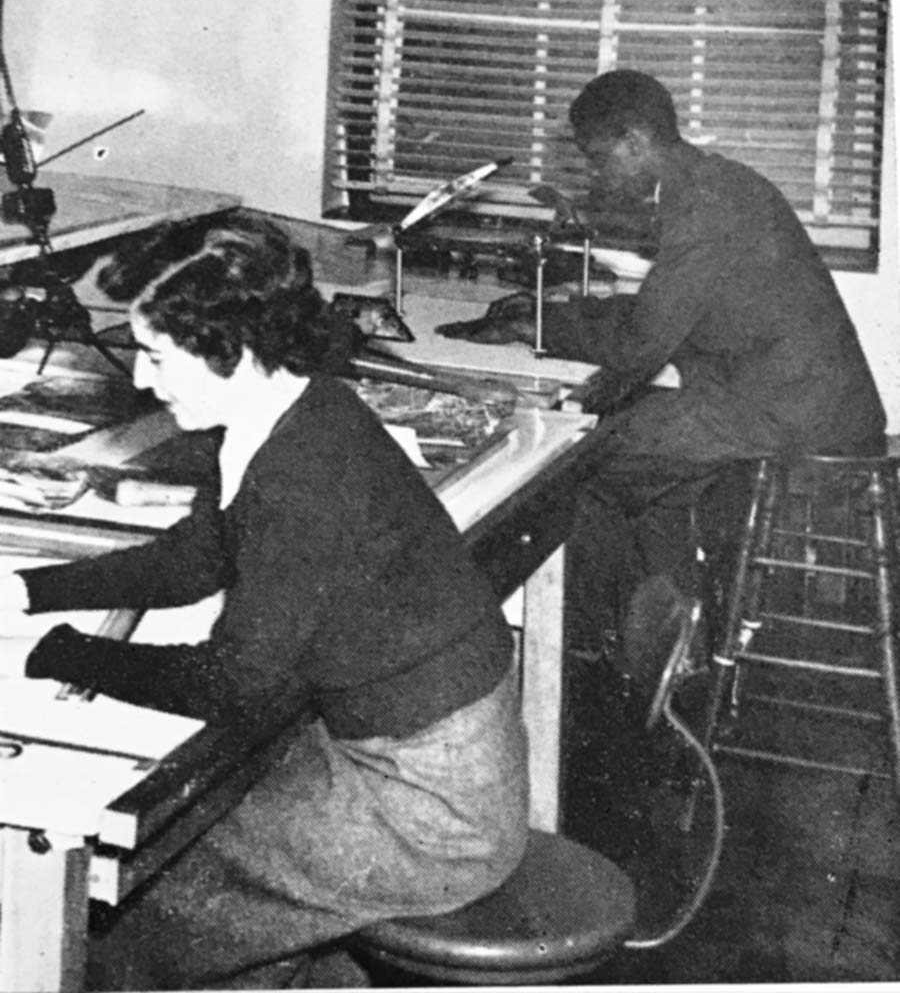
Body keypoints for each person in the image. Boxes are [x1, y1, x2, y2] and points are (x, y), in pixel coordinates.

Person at [0, 214, 529, 991]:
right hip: (416, 753)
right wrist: (30, 590)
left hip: (433, 808)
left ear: (234, 352)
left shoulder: (300, 476)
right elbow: (198, 557)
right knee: (193, 857)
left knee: (138, 906)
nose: (141, 380)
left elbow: (232, 683)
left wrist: (65, 655)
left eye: (156, 355)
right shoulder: (286, 410)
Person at [442, 69, 887, 681]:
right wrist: (553, 316)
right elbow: (665, 309)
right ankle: (675, 657)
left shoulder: (705, 206)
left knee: (577, 468)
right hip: (783, 398)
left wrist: (538, 327)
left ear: (635, 140)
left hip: (792, 412)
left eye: (601, 161)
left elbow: (644, 342)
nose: (598, 177)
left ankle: (599, 656)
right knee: (646, 469)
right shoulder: (711, 187)